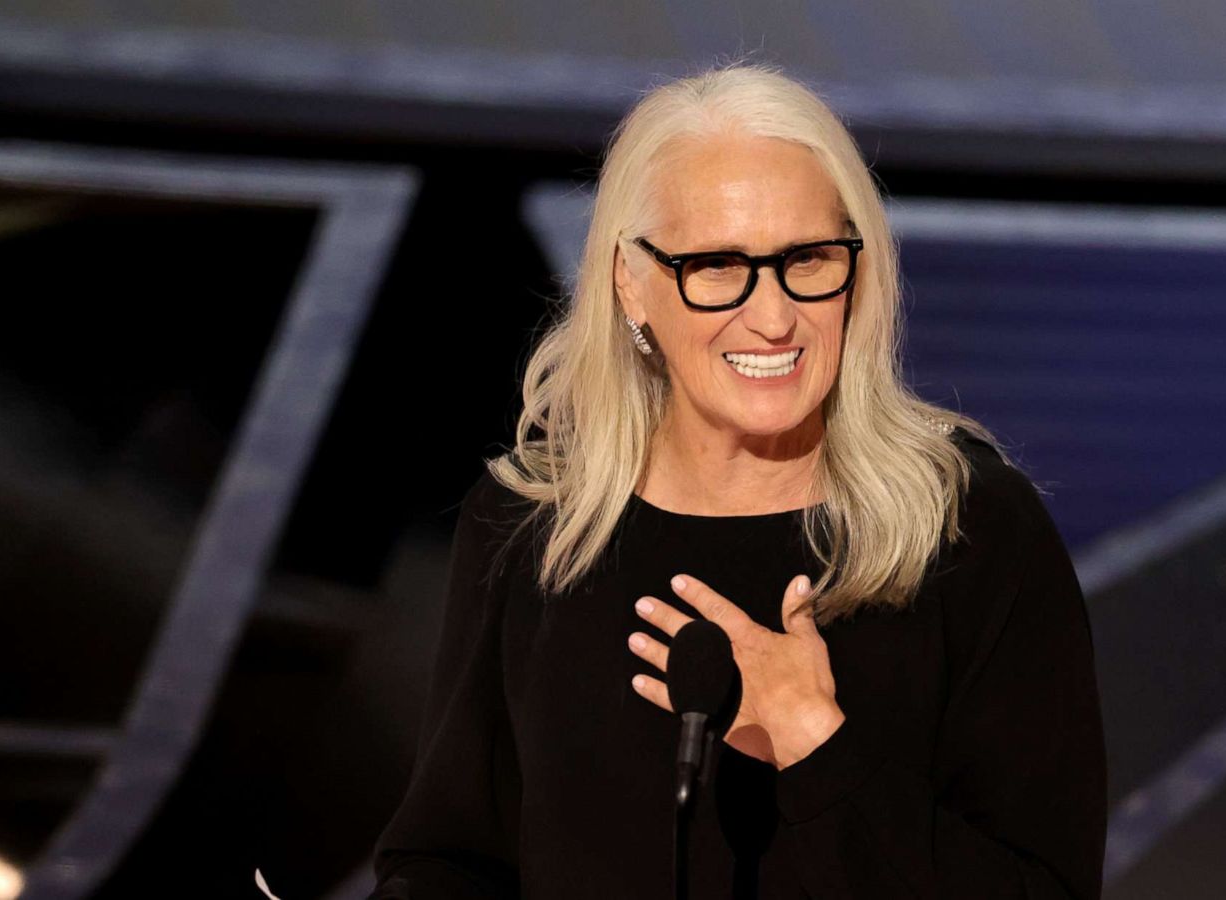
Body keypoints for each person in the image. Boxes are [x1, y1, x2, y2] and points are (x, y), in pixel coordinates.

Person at [368, 62, 1106, 899]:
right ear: (631, 283)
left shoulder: (970, 532)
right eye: (718, 265)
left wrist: (819, 747)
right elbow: (448, 855)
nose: (773, 315)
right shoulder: (533, 528)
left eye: (809, 258)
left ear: (856, 272)